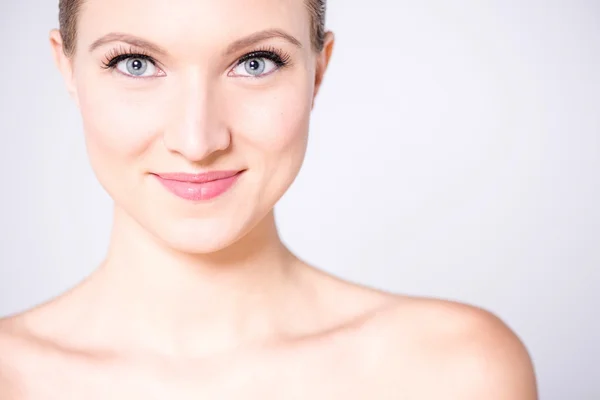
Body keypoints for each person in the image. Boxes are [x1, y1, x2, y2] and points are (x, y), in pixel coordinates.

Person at [0, 0, 537, 398]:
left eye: (255, 63)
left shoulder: (453, 371)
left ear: (318, 71)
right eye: (135, 63)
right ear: (66, 68)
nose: (197, 139)